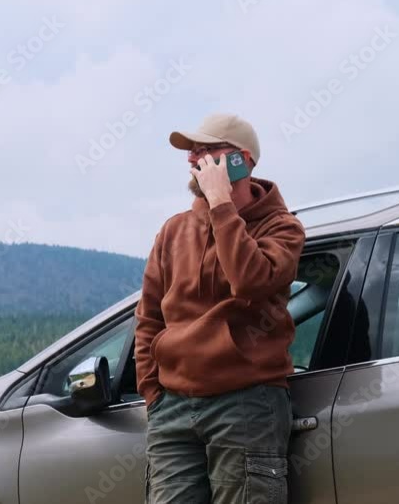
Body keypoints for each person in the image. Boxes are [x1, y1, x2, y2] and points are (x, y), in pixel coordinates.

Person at [135, 113, 306, 504]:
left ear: (241, 161)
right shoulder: (174, 231)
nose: (193, 159)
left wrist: (220, 206)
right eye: (192, 151)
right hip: (173, 407)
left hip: (246, 404)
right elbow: (148, 317)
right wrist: (152, 393)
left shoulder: (283, 228)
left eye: (206, 150)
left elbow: (250, 280)